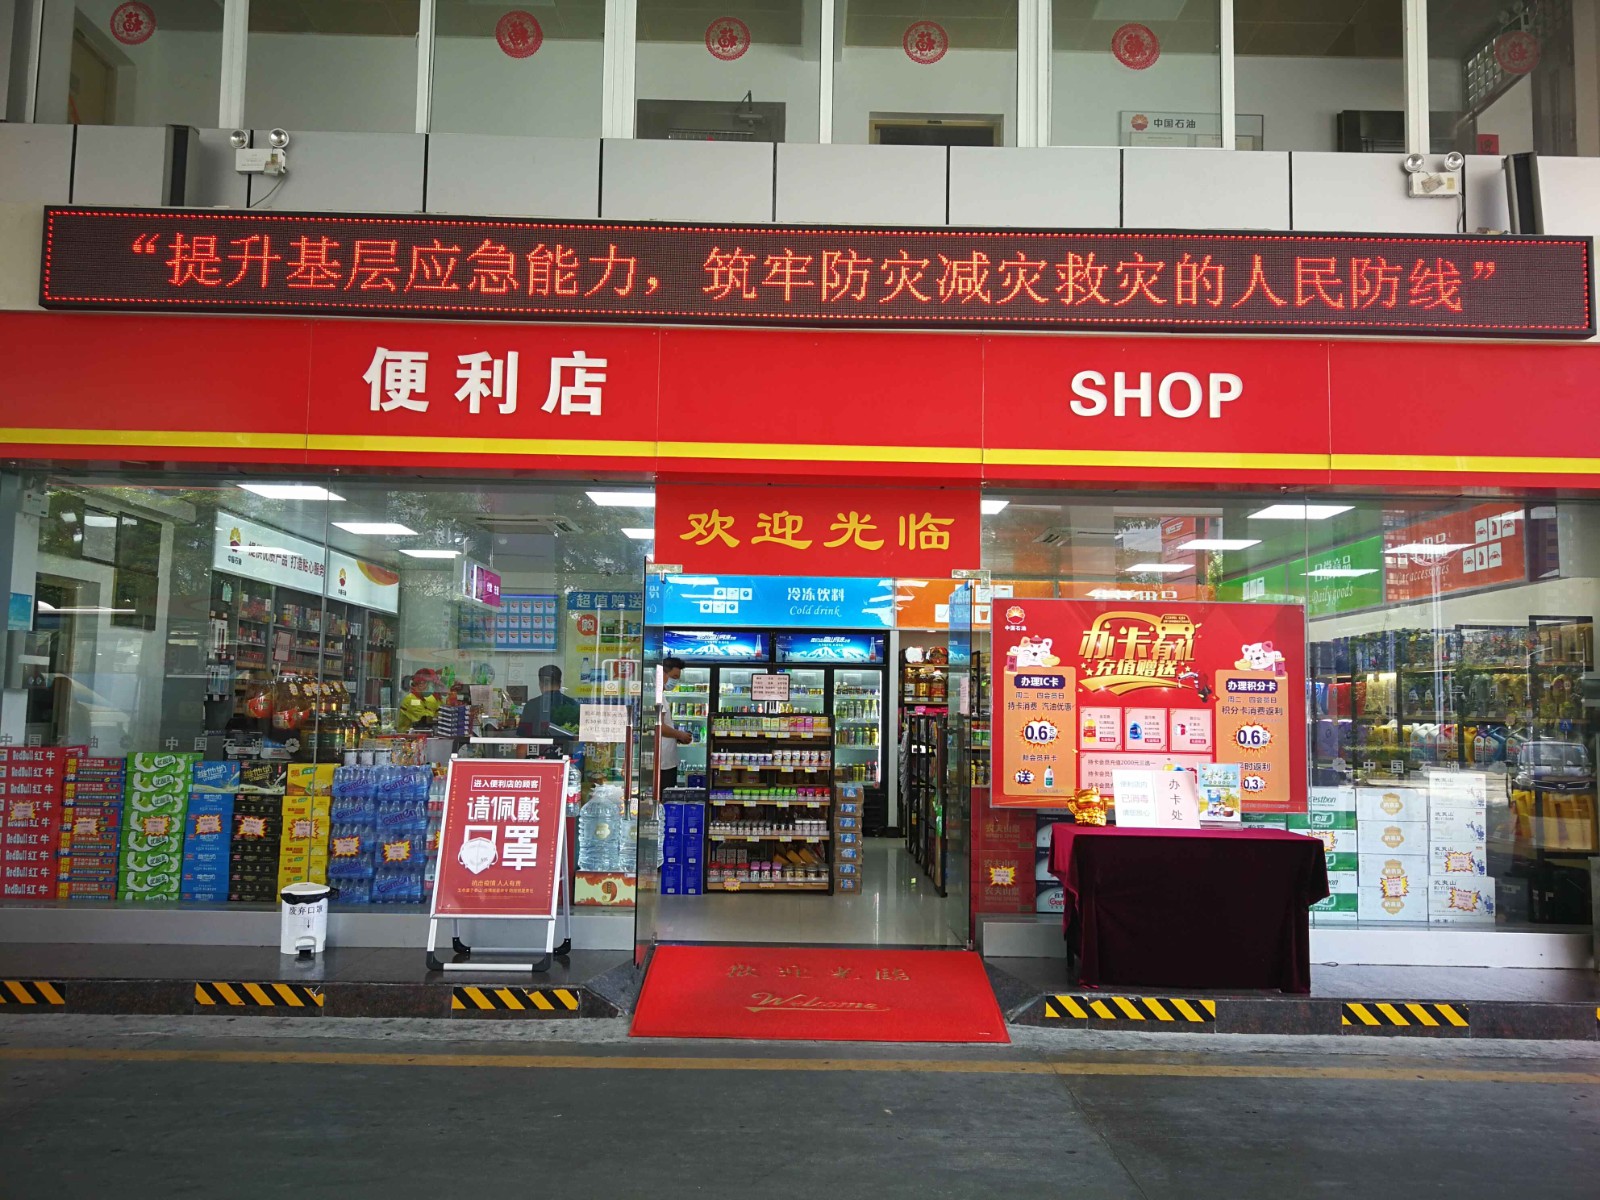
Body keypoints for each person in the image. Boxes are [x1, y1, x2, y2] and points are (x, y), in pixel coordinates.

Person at [517, 664, 579, 748]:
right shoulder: (573, 704)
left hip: (538, 754)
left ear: (540, 684)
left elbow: (523, 742)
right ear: (560, 684)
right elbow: (578, 739)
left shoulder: (531, 705)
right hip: (566, 754)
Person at [658, 656, 694, 789]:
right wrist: (680, 735)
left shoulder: (661, 695)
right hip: (663, 762)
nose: (675, 681)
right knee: (664, 795)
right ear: (662, 674)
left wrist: (677, 737)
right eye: (674, 676)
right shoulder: (658, 696)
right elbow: (660, 727)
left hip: (666, 759)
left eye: (677, 678)